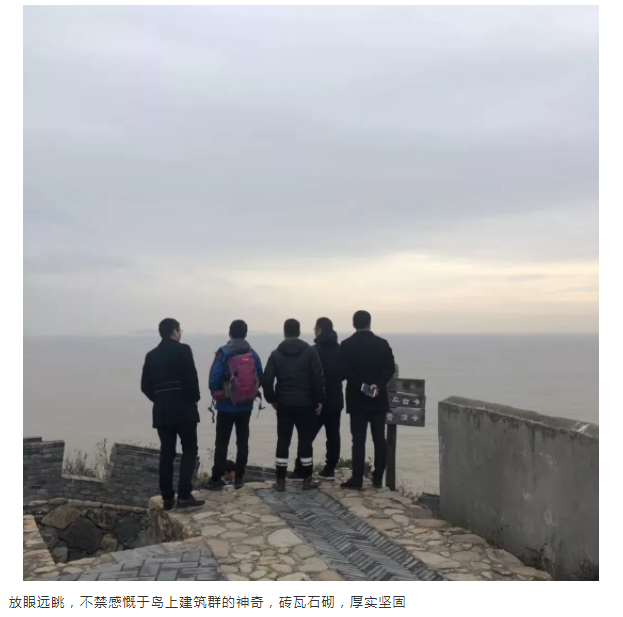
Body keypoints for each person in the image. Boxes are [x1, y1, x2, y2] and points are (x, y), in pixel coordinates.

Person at [141, 318, 204, 510]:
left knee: (167, 453)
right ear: (174, 332)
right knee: (189, 450)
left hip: (163, 411)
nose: (180, 333)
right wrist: (194, 398)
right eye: (179, 330)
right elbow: (192, 378)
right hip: (184, 409)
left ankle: (167, 497)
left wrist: (159, 399)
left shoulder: (151, 355)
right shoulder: (184, 350)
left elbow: (145, 386)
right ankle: (184, 496)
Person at [262, 319, 325, 491]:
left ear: (285, 332)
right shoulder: (310, 352)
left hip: (284, 404)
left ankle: (280, 481)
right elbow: (318, 378)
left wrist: (272, 400)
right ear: (299, 332)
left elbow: (267, 380)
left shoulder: (276, 354)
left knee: (283, 440)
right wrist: (320, 400)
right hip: (306, 404)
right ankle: (307, 479)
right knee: (305, 441)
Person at [340, 310, 395, 490]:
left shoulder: (346, 345)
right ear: (369, 323)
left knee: (358, 440)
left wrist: (362, 386)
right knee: (379, 438)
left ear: (354, 323)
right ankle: (377, 478)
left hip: (357, 398)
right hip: (378, 398)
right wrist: (377, 385)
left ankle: (357, 479)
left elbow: (344, 371)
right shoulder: (382, 343)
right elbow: (389, 368)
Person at [206, 319, 263, 490]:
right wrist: (246, 392)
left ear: (230, 333)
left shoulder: (223, 353)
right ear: (245, 334)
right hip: (245, 406)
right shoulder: (252, 354)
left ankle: (216, 478)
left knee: (222, 443)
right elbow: (259, 376)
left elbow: (214, 379)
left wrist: (221, 392)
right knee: (242, 442)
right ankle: (239, 478)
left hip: (225, 406)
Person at [291, 317, 345, 482]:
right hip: (335, 398)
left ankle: (301, 469)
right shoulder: (340, 350)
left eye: (315, 328)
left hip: (316, 400)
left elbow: (306, 375)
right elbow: (344, 374)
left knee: (307, 436)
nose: (314, 331)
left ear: (320, 330)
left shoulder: (312, 351)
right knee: (333, 435)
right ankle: (329, 469)